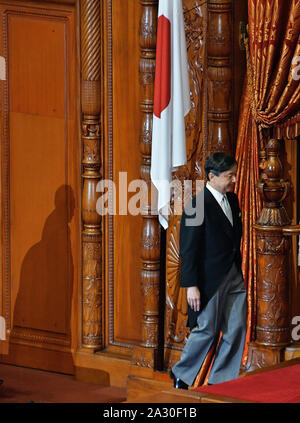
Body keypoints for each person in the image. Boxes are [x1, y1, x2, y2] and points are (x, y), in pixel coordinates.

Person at [170, 152, 247, 388]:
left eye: (234, 174)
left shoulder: (232, 201)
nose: (234, 180)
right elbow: (189, 250)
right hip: (208, 280)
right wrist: (191, 286)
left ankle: (221, 380)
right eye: (229, 176)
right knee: (207, 329)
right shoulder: (196, 206)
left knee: (237, 327)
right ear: (212, 177)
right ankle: (181, 374)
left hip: (233, 275)